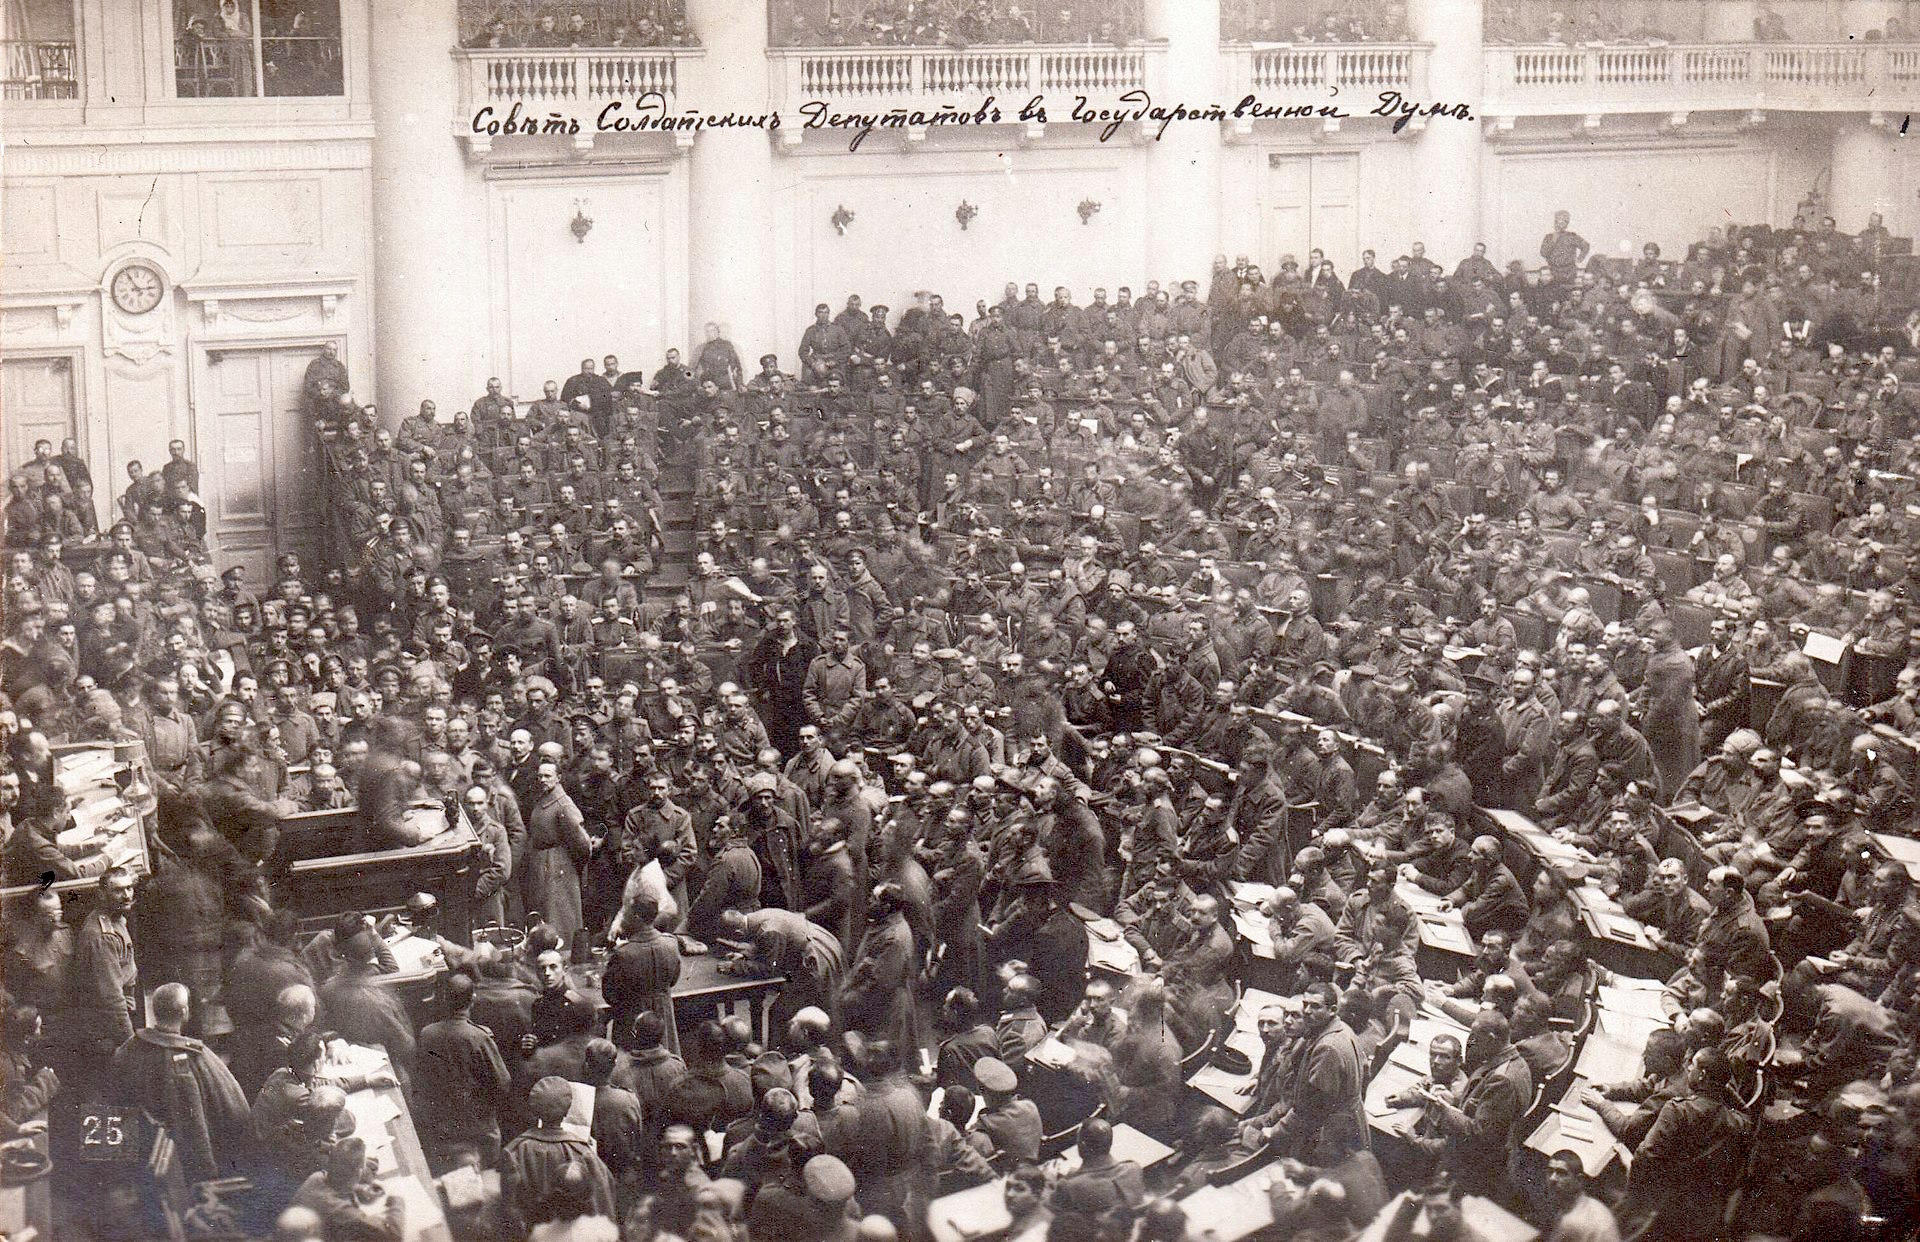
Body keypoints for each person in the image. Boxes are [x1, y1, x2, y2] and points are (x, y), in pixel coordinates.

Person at [109, 982, 251, 1184]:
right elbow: (207, 1119)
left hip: (134, 1155)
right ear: (185, 1013)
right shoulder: (194, 1058)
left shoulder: (128, 1048)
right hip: (177, 1167)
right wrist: (206, 1174)